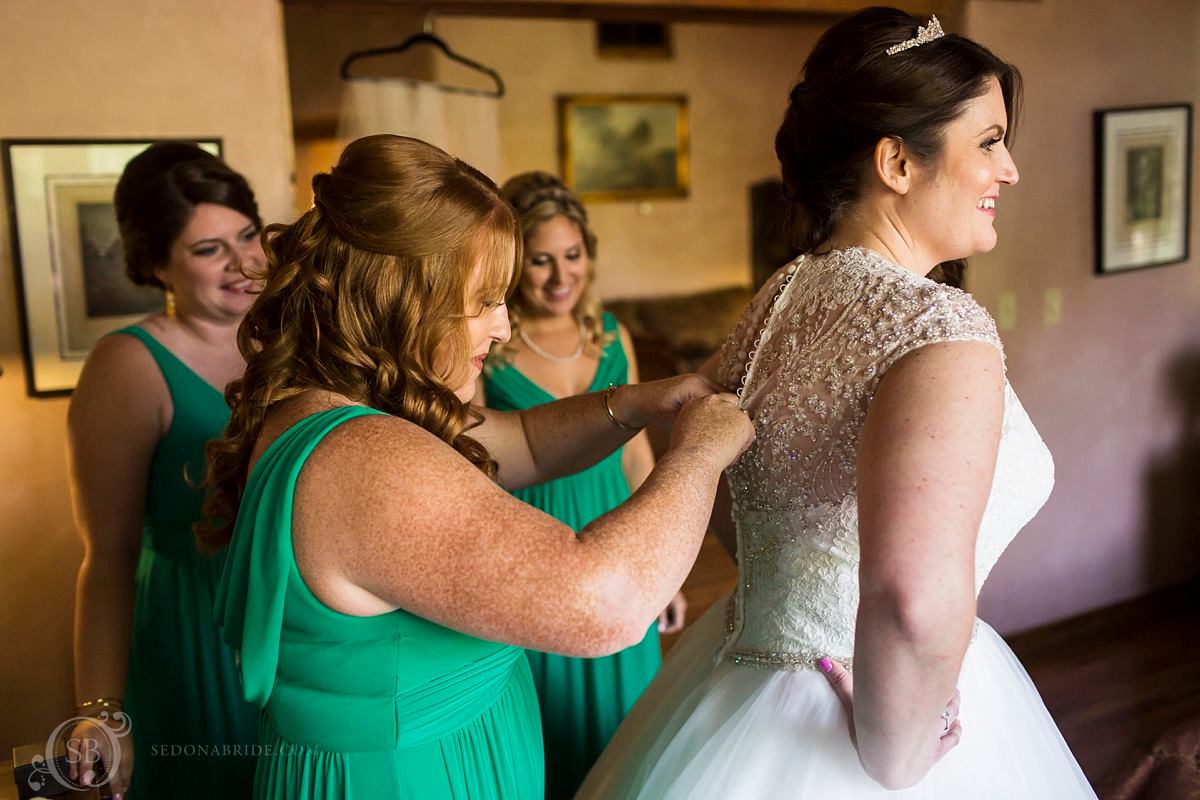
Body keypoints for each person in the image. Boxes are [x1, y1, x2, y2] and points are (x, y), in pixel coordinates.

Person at [578, 9, 1097, 798]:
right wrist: (895, 761)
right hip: (871, 715)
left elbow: (733, 492)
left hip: (743, 680)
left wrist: (795, 595)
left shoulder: (783, 296)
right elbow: (913, 602)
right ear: (896, 161)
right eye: (989, 142)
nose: (1010, 169)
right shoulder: (941, 327)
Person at [201, 134, 754, 799]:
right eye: (485, 300)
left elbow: (524, 440)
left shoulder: (345, 409)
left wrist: (638, 403)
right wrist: (697, 453)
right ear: (403, 297)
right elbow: (602, 606)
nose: (499, 327)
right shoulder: (364, 458)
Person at [479, 171, 686, 798]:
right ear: (515, 265)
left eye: (572, 256)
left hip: (619, 544)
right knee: (555, 726)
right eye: (540, 260)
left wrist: (664, 566)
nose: (560, 276)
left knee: (628, 731)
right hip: (536, 549)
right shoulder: (490, 349)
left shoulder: (612, 336)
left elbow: (636, 459)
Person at [66, 142, 262, 799]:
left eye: (247, 235)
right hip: (195, 635)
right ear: (157, 265)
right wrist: (100, 712)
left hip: (300, 627)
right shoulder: (127, 364)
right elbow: (109, 555)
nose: (243, 264)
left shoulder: (295, 339)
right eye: (209, 250)